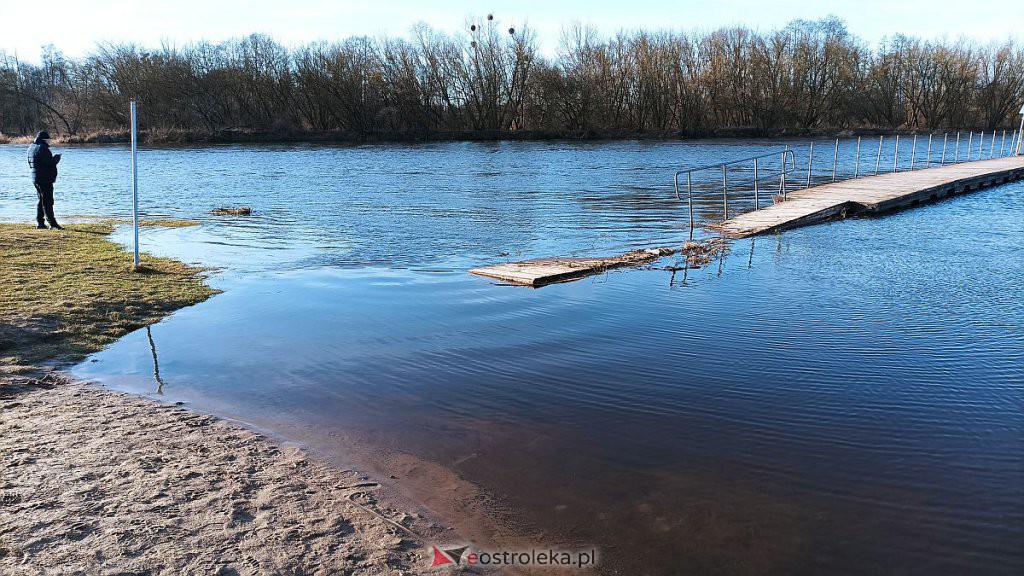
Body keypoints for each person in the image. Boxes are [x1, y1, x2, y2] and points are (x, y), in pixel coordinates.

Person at [27, 130, 63, 230]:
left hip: (36, 178)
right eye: (48, 140)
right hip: (44, 179)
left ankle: (40, 223)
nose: (49, 142)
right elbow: (50, 162)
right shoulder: (42, 148)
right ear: (44, 140)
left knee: (41, 200)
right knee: (48, 201)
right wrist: (57, 158)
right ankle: (53, 224)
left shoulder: (31, 147)